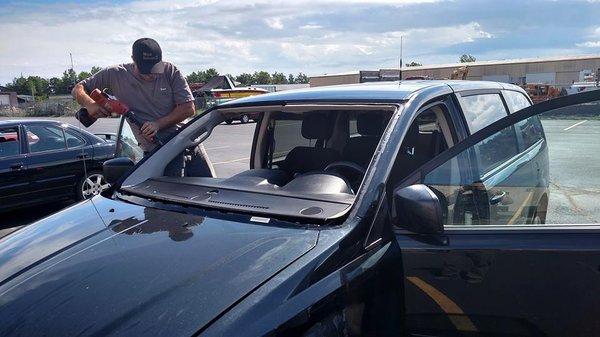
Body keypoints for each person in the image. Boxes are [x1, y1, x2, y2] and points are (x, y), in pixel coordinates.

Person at [72, 38, 214, 177]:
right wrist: (89, 104)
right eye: (145, 70)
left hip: (187, 142)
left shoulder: (170, 71)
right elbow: (78, 88)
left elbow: (188, 108)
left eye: (154, 69)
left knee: (211, 192)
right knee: (170, 196)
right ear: (133, 59)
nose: (151, 75)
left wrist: (158, 124)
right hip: (157, 153)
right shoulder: (115, 74)